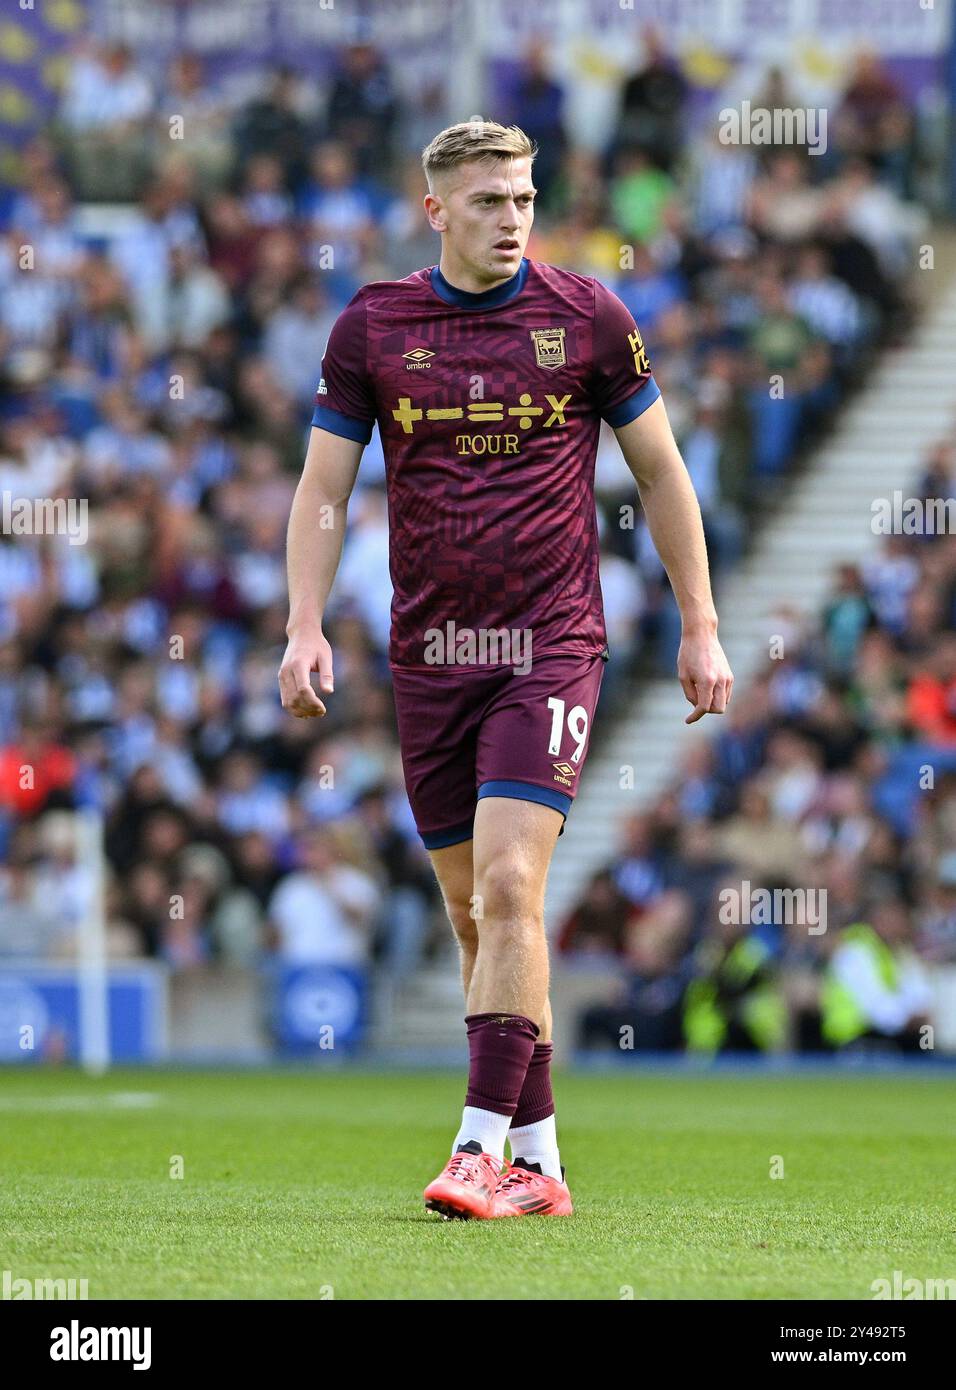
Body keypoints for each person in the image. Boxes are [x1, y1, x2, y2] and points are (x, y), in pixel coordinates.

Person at [279, 121, 733, 1219]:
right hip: (429, 653)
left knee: (512, 884)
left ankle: (478, 1149)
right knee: (472, 914)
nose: (511, 218)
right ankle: (542, 1163)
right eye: (487, 201)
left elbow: (663, 473)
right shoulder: (376, 326)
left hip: (548, 644)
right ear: (435, 211)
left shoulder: (585, 317)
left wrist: (700, 623)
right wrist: (302, 623)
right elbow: (323, 491)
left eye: (523, 198)